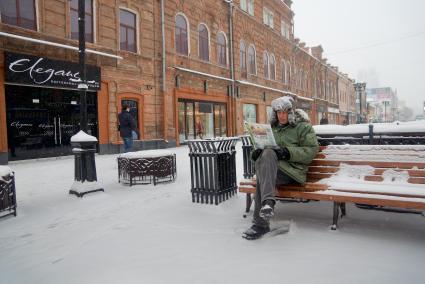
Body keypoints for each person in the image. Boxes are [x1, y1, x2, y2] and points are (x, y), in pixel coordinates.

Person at [242, 96, 319, 240]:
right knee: (266, 161)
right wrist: (257, 152)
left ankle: (260, 224)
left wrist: (286, 152)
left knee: (263, 173)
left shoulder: (303, 127)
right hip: (274, 172)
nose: (281, 116)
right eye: (278, 112)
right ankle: (267, 204)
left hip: (293, 172)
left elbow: (311, 151)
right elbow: (259, 156)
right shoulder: (272, 129)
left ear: (291, 112)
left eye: (284, 112)